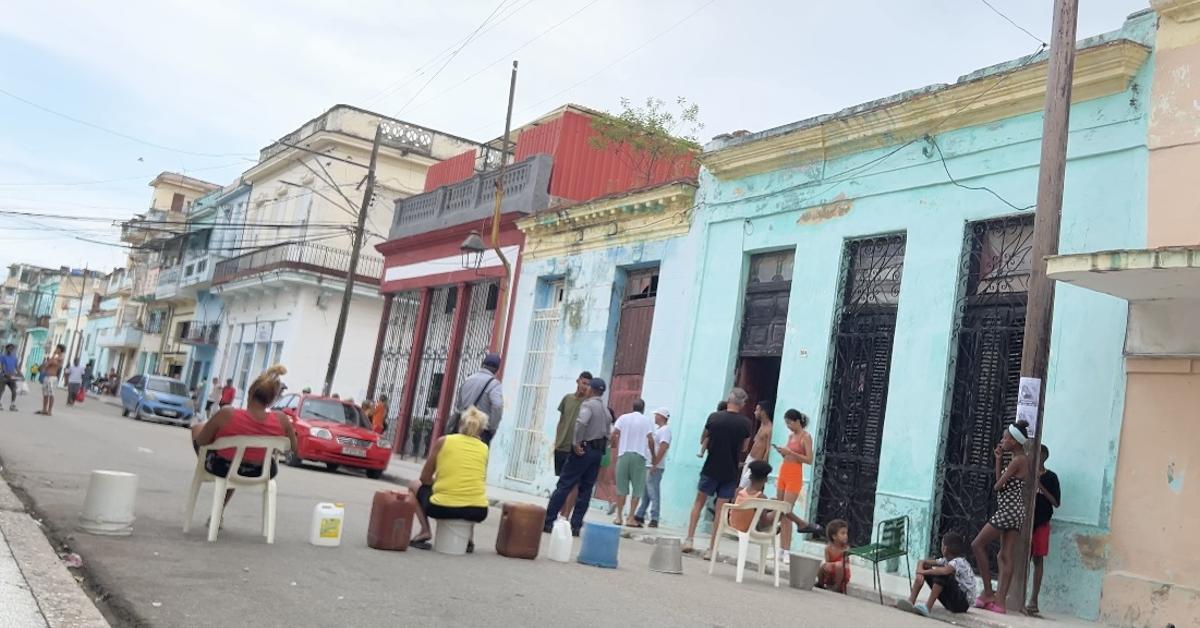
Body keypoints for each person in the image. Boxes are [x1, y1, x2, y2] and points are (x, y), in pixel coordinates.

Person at [191, 365, 297, 517]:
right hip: (262, 472)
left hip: (224, 468)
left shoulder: (227, 414)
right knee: (239, 461)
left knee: (198, 430)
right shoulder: (281, 419)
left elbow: (202, 441)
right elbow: (293, 447)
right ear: (272, 399)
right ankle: (218, 512)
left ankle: (205, 471)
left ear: (250, 392)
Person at [407, 406, 490, 552]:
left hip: (442, 508)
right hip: (478, 511)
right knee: (471, 490)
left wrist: (440, 484)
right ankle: (469, 539)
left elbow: (424, 478)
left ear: (460, 424)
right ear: (481, 430)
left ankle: (425, 531)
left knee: (413, 485)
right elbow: (477, 480)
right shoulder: (484, 448)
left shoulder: (443, 441)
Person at [971, 419, 1032, 614]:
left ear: (1014, 441)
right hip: (1014, 511)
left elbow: (998, 486)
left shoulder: (1017, 461)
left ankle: (989, 592)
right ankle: (1000, 602)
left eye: (1005, 438)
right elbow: (1001, 483)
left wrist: (1001, 472)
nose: (1002, 441)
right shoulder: (1019, 459)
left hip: (1008, 510)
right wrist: (998, 460)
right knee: (1004, 555)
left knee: (977, 545)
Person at [683, 388, 752, 556]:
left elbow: (703, 438)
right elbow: (744, 447)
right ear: (742, 404)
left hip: (711, 467)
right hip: (730, 471)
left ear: (729, 400)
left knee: (698, 503)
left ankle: (689, 539)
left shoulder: (714, 418)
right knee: (720, 511)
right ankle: (712, 549)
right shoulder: (746, 424)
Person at [543, 377, 612, 536]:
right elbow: (608, 434)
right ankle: (575, 526)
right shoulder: (606, 411)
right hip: (597, 452)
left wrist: (576, 443)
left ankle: (548, 520)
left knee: (565, 484)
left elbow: (581, 423)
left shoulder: (588, 405)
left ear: (591, 389)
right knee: (586, 490)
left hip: (584, 449)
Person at [774, 409, 825, 563]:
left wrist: (791, 453)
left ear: (797, 421)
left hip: (794, 474)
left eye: (789, 422)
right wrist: (783, 452)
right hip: (784, 471)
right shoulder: (791, 436)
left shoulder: (806, 437)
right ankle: (781, 549)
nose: (788, 426)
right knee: (782, 512)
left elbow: (809, 459)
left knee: (787, 509)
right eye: (786, 423)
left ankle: (788, 549)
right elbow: (789, 453)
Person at [899, 533, 976, 616]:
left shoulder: (959, 561)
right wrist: (920, 572)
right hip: (950, 602)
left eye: (942, 545)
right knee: (927, 567)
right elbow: (922, 562)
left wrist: (922, 572)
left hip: (962, 604)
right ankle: (911, 601)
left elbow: (944, 571)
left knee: (941, 573)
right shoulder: (946, 560)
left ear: (945, 549)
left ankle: (927, 607)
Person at [552, 371, 592, 519]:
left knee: (574, 483)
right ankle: (559, 511)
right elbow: (561, 421)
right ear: (578, 381)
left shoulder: (588, 404)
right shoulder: (567, 399)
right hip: (562, 446)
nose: (585, 387)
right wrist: (557, 441)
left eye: (588, 385)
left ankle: (566, 515)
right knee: (562, 482)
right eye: (583, 383)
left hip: (575, 448)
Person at [1027, 444, 1061, 616]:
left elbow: (1056, 502)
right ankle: (1016, 595)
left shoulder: (1051, 477)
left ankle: (1034, 599)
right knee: (1022, 559)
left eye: (1039, 454)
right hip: (1026, 522)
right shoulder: (1026, 473)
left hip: (1041, 523)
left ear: (1045, 456)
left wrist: (1040, 486)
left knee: (1038, 560)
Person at [611, 399, 654, 527]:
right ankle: (630, 517)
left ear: (632, 407)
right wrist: (653, 455)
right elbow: (650, 439)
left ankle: (619, 517)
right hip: (639, 456)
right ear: (643, 408)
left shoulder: (623, 418)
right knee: (637, 489)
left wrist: (613, 445)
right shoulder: (646, 421)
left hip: (623, 455)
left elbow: (614, 434)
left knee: (621, 488)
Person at [450, 353, 503, 445]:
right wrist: (492, 427)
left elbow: (459, 404)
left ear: (482, 364)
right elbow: (497, 406)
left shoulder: (468, 379)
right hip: (480, 430)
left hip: (464, 427)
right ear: (497, 369)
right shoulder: (494, 384)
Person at [633, 408, 671, 528]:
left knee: (653, 492)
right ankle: (640, 514)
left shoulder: (665, 430)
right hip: (650, 464)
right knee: (646, 492)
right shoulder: (659, 430)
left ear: (662, 416)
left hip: (655, 466)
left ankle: (655, 517)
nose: (655, 417)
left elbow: (663, 447)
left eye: (657, 415)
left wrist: (655, 463)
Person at [728, 459, 775, 533]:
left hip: (733, 525)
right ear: (765, 479)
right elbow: (764, 522)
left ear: (750, 476)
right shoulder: (761, 497)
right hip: (747, 529)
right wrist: (776, 511)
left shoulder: (739, 491)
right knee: (781, 511)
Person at [740, 400, 774, 488]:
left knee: (743, 486)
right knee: (742, 484)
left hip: (757, 461)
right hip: (750, 458)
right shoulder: (762, 425)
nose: (755, 412)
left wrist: (762, 464)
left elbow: (768, 449)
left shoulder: (769, 429)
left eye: (757, 410)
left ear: (763, 412)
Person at [818, 519, 851, 593]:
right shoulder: (828, 548)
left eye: (846, 533)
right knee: (822, 566)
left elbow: (844, 563)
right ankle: (820, 583)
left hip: (843, 572)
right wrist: (828, 567)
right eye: (843, 533)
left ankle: (837, 586)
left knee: (839, 565)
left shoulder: (846, 548)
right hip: (832, 570)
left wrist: (834, 565)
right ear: (834, 536)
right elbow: (828, 562)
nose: (846, 536)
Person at [35, 344, 65, 416]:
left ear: (60, 350)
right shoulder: (54, 357)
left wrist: (54, 355)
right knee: (45, 394)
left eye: (57, 348)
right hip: (46, 377)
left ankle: (49, 410)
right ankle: (44, 409)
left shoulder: (60, 357)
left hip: (52, 377)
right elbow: (46, 365)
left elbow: (52, 363)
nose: (56, 349)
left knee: (51, 394)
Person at [1, 344, 20, 411]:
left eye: (12, 348)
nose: (11, 350)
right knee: (1, 390)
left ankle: (12, 405)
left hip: (12, 376)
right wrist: (5, 373)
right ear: (6, 349)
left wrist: (20, 374)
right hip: (4, 376)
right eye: (9, 348)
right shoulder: (3, 357)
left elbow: (16, 367)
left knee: (14, 390)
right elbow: (2, 366)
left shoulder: (15, 358)